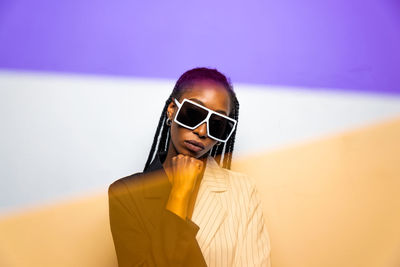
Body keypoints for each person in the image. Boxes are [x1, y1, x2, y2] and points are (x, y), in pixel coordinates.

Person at [108, 67, 271, 266]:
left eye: (217, 124)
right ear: (171, 110)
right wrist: (180, 193)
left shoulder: (243, 190)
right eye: (193, 114)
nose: (202, 131)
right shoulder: (126, 193)